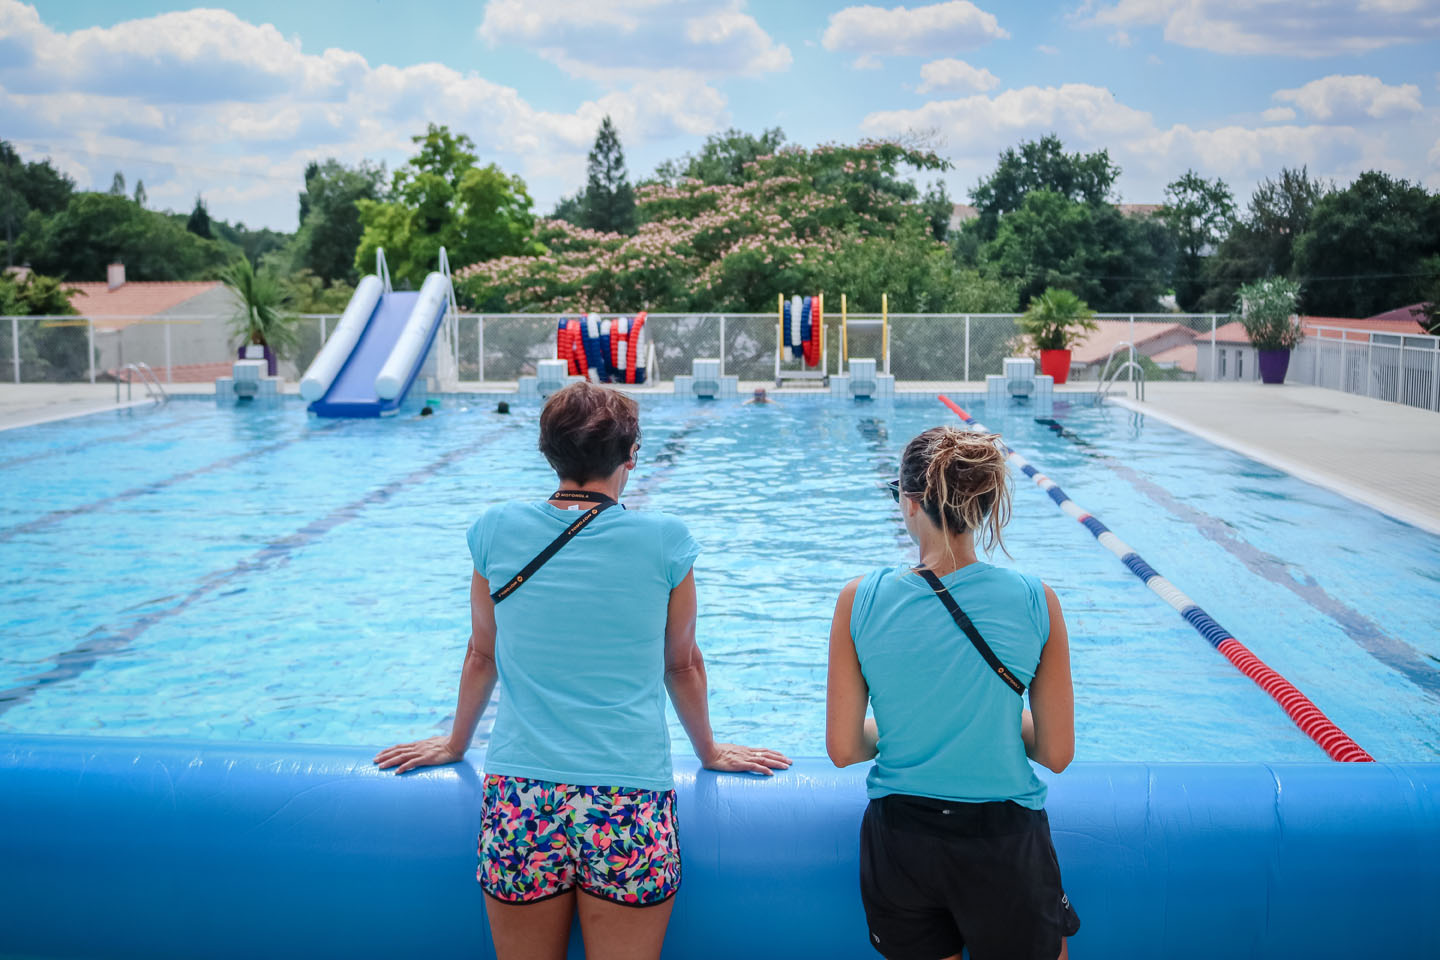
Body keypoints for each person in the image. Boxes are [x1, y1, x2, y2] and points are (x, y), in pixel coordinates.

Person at [375, 380, 790, 960]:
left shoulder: (495, 530)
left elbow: (482, 654)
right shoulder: (666, 542)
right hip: (628, 801)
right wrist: (710, 752)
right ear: (630, 457)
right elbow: (683, 665)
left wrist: (455, 742)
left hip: (521, 798)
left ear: (549, 454)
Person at [826, 426, 1078, 960]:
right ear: (983, 506)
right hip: (1003, 841)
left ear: (911, 502)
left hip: (902, 841)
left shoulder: (860, 600)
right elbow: (1057, 754)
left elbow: (844, 748)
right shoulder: (1037, 600)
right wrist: (994, 718)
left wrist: (906, 723)